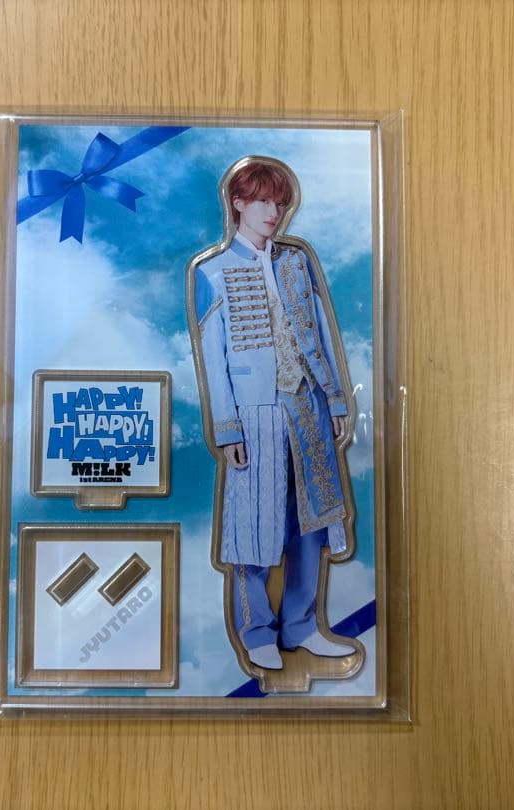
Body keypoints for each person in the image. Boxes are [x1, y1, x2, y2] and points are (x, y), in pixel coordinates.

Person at [190, 157, 358, 672]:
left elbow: (322, 333)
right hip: (254, 413)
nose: (274, 212)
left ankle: (302, 626)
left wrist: (335, 399)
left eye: (279, 202)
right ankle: (256, 630)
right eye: (263, 200)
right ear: (238, 202)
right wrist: (227, 428)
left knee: (311, 521)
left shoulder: (296, 262)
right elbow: (213, 357)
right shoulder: (211, 272)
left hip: (306, 406)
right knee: (253, 522)